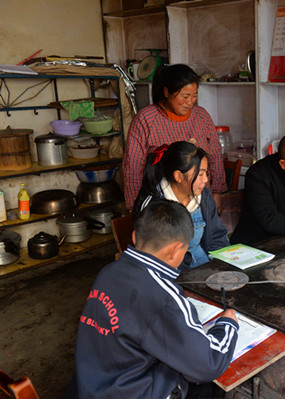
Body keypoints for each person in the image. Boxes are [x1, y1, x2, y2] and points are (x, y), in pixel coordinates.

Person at [66, 199, 239, 398]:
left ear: (134, 236)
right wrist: (227, 323)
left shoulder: (108, 272)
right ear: (176, 250)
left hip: (90, 387)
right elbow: (210, 364)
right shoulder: (163, 295)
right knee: (204, 387)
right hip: (130, 393)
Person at [123, 64, 227, 213]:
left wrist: (217, 192)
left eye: (194, 96)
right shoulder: (146, 120)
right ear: (166, 92)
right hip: (162, 207)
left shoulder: (201, 116)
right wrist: (135, 207)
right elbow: (133, 167)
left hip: (201, 200)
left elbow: (215, 156)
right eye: (184, 96)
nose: (190, 102)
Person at [133, 141, 229, 269]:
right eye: (200, 174)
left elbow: (218, 237)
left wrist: (222, 267)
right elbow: (155, 258)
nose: (206, 180)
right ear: (178, 176)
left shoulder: (204, 197)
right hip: (173, 274)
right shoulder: (154, 206)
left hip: (205, 266)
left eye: (206, 173)